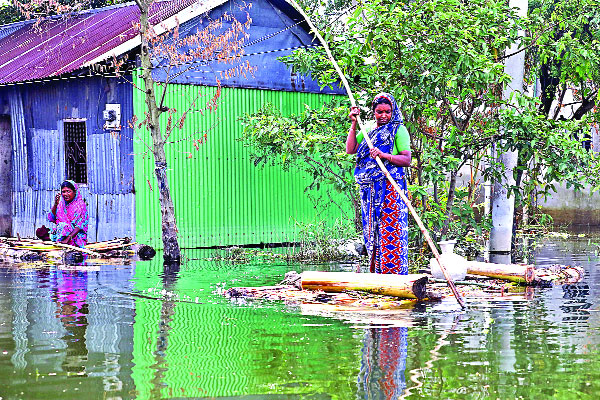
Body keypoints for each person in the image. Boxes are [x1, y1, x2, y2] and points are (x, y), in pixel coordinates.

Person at [346, 93, 411, 274]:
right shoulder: (367, 129)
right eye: (379, 112)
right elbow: (350, 149)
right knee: (372, 232)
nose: (383, 115)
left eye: (387, 112)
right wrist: (353, 123)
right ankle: (377, 274)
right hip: (369, 189)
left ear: (393, 111)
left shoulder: (399, 130)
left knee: (391, 230)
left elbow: (406, 160)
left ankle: (395, 276)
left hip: (391, 188)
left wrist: (383, 155)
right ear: (374, 112)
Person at [46, 180, 89, 247]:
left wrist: (67, 239)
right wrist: (55, 204)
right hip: (63, 234)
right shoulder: (61, 204)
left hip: (75, 236)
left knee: (63, 226)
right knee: (41, 231)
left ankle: (64, 242)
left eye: (68, 191)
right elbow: (52, 218)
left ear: (75, 192)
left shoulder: (80, 205)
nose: (66, 194)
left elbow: (79, 226)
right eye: (63, 192)